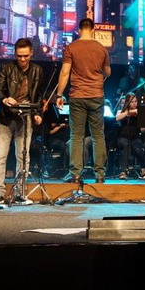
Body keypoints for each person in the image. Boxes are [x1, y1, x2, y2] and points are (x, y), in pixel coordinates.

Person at [56, 18, 111, 183]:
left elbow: (65, 73)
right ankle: (100, 175)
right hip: (96, 96)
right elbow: (108, 72)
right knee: (98, 136)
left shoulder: (71, 47)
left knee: (77, 135)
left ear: (79, 30)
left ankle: (75, 174)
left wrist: (59, 95)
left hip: (78, 96)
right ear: (93, 30)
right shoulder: (101, 48)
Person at [0, 38, 43, 205]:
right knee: (0, 156)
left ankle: (20, 193)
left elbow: (38, 95)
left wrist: (37, 113)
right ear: (15, 54)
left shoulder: (37, 70)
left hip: (25, 116)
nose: (22, 59)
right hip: (5, 116)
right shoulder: (5, 68)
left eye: (26, 55)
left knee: (23, 156)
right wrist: (4, 99)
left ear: (31, 53)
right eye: (19, 56)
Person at [115, 93, 145, 179]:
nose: (134, 103)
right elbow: (117, 118)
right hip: (123, 138)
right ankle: (123, 171)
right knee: (126, 145)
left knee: (138, 149)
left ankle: (144, 167)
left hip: (135, 138)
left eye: (136, 101)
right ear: (127, 103)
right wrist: (129, 112)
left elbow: (142, 129)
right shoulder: (122, 111)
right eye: (132, 102)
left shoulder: (139, 112)